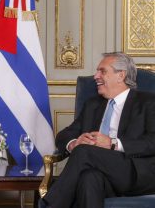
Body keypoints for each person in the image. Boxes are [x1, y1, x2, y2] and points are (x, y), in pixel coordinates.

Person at [40, 52, 155, 208]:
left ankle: (50, 205)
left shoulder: (148, 102)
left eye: (103, 71)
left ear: (120, 75)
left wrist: (112, 143)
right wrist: (73, 143)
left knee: (84, 151)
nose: (96, 76)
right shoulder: (93, 105)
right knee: (89, 178)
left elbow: (152, 141)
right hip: (104, 176)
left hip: (135, 173)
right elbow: (64, 135)